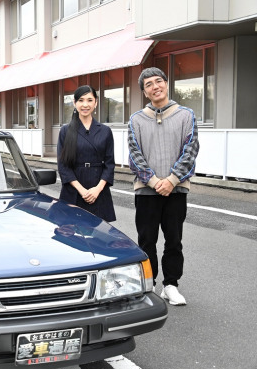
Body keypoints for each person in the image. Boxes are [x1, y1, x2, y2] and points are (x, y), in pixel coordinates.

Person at [128, 67, 199, 306]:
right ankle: (149, 284)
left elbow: (190, 151)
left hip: (176, 189)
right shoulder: (136, 119)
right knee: (146, 240)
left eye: (159, 81)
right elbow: (134, 155)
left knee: (174, 239)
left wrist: (171, 180)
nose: (155, 86)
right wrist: (155, 181)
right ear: (144, 91)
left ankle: (171, 285)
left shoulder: (186, 115)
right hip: (147, 189)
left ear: (167, 84)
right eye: (149, 84)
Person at [57, 85, 116, 222]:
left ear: (96, 102)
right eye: (81, 100)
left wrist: (97, 190)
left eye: (90, 100)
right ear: (74, 103)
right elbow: (63, 166)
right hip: (73, 191)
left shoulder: (105, 131)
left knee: (98, 237)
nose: (85, 104)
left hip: (98, 191)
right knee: (71, 236)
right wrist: (82, 191)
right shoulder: (66, 131)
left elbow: (109, 164)